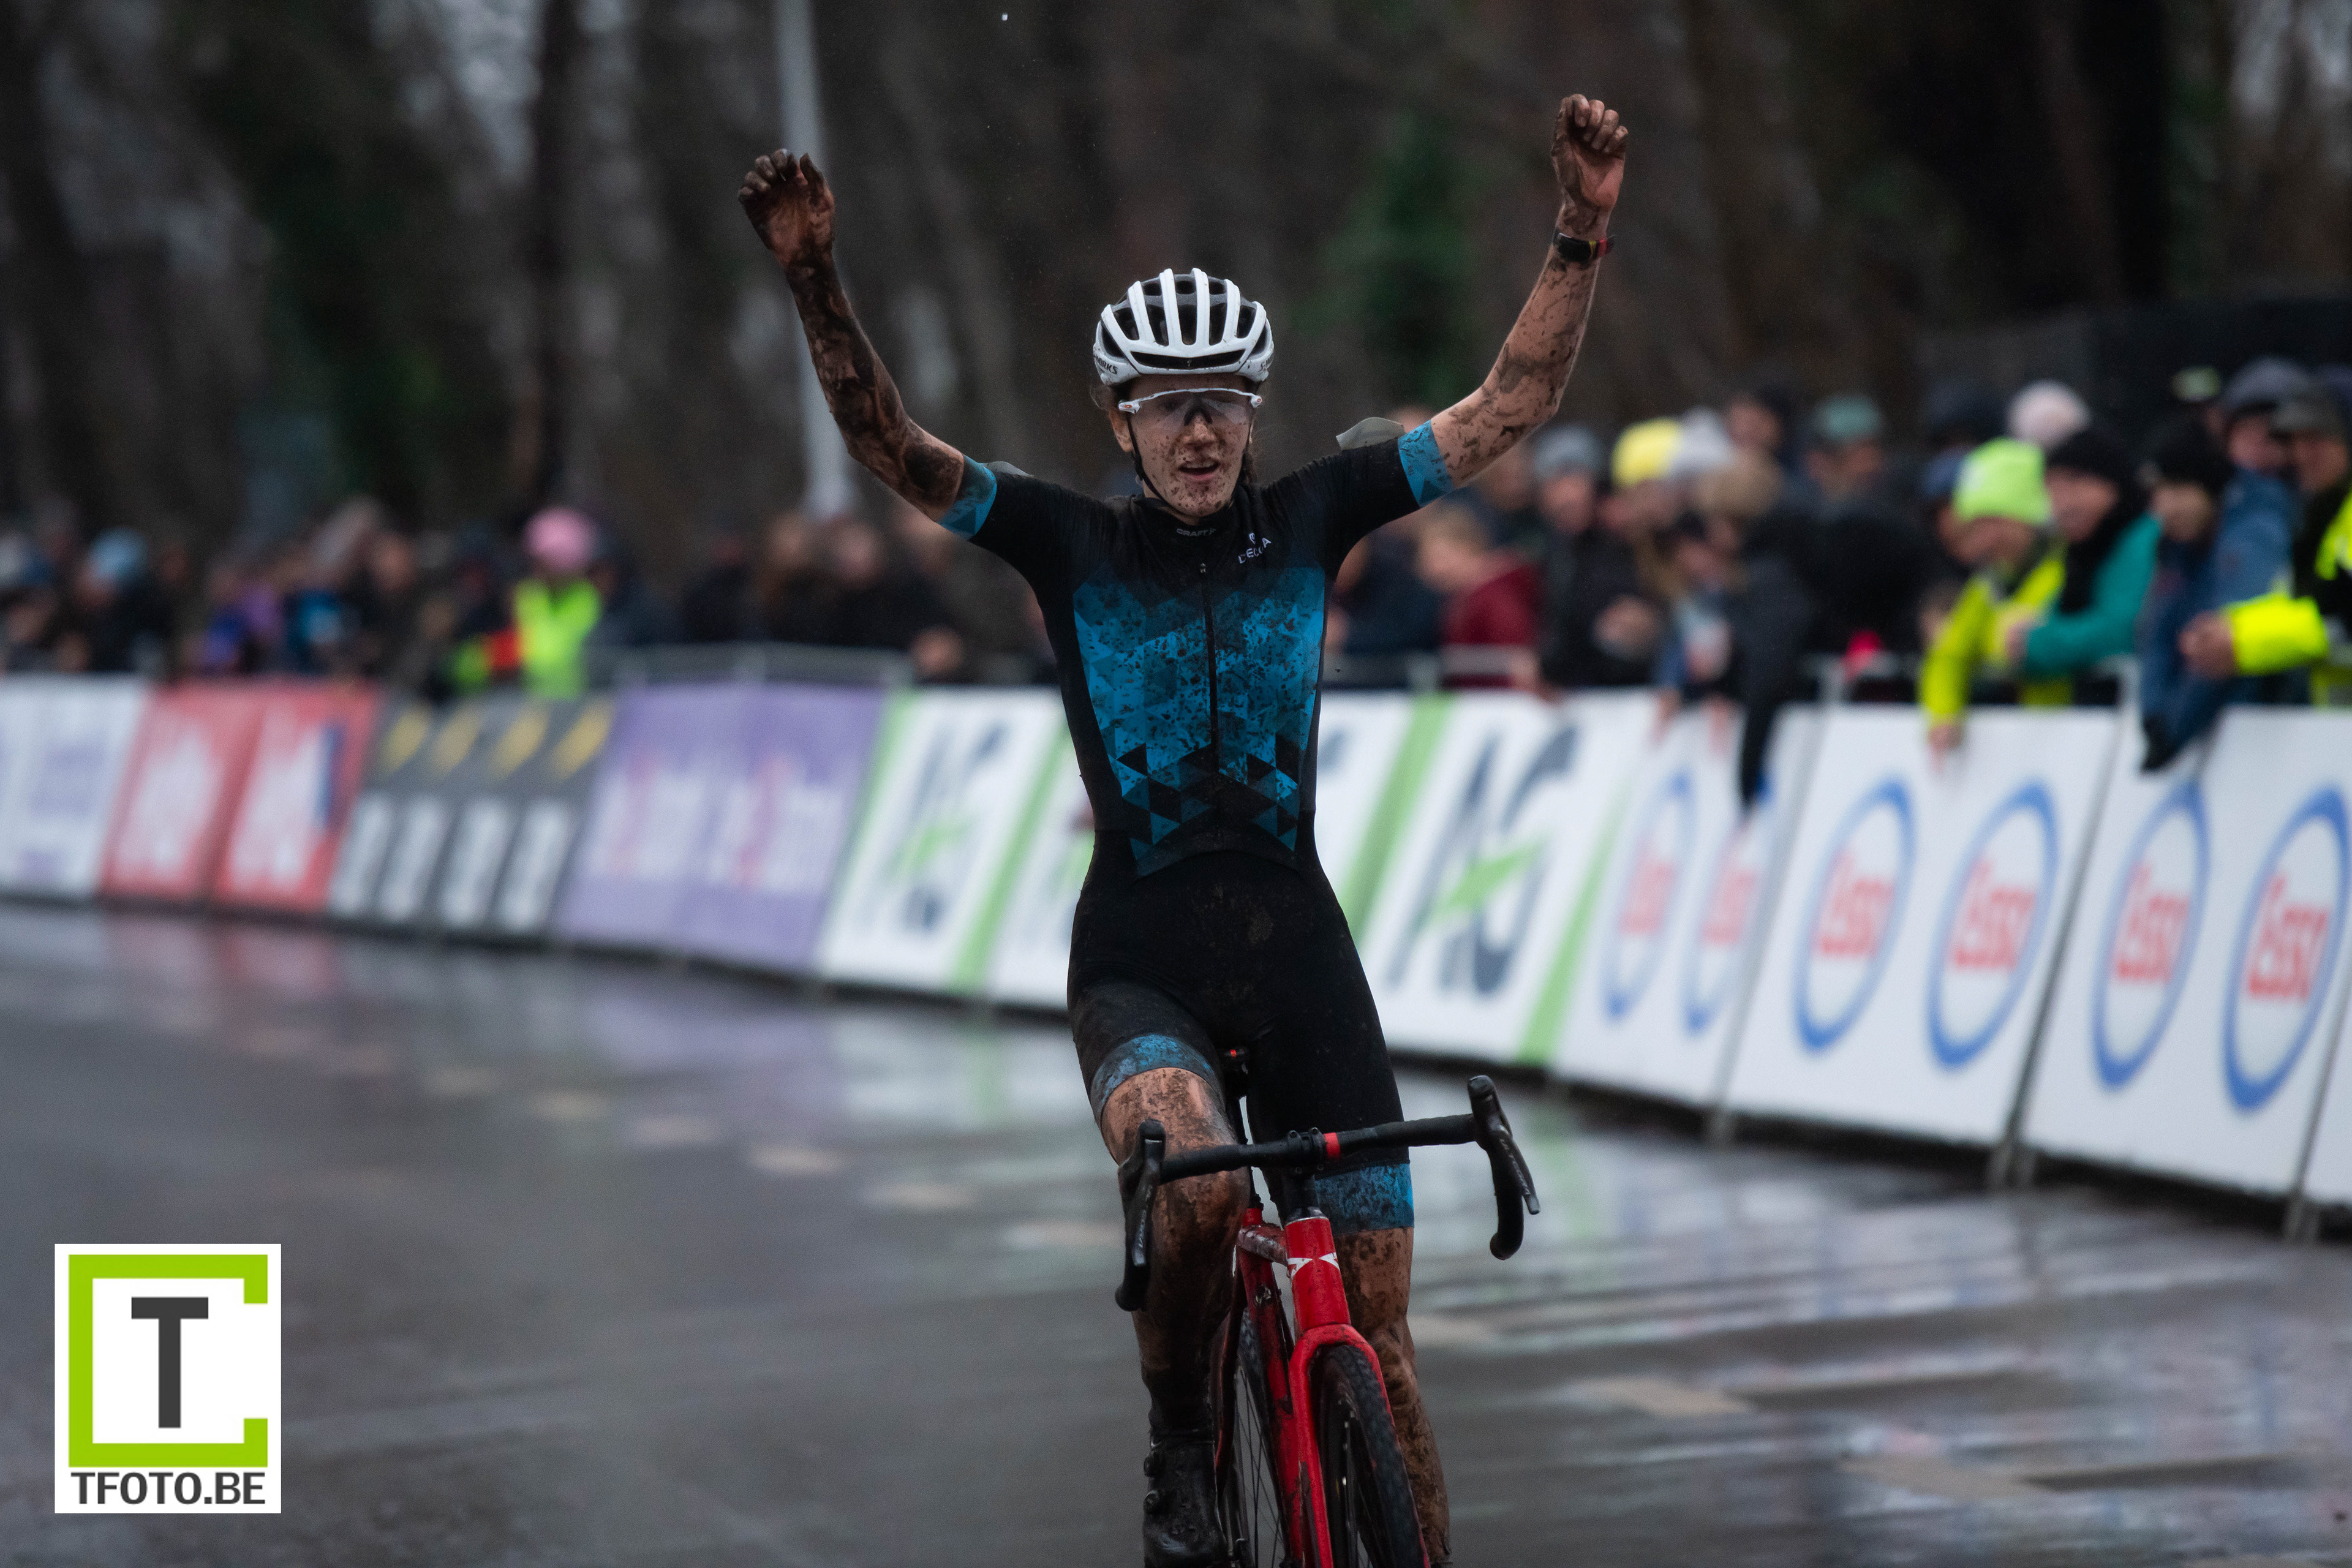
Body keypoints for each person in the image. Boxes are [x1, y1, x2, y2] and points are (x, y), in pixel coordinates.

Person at [740, 89, 1631, 1568]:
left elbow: (1509, 404)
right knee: (1201, 1189)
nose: (1200, 429)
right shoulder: (1067, 541)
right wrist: (816, 279)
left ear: (1256, 410)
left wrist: (1581, 228)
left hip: (1300, 952)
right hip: (1139, 960)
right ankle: (1179, 1445)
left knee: (1385, 1345)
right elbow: (891, 445)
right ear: (1122, 421)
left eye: (1221, 399)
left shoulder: (1319, 513)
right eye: (1167, 403)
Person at [2137, 418, 2296, 770]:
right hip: (2213, 732)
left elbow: (2218, 645)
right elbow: (2157, 632)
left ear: (2210, 487)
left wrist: (2173, 729)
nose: (2167, 507)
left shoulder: (2254, 534)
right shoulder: (2179, 545)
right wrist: (2152, 714)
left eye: (2180, 489)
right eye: (2159, 492)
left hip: (2264, 729)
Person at [1658, 453, 1815, 805]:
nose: (1712, 536)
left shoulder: (1770, 578)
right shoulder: (1752, 575)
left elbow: (1767, 672)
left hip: (1795, 730)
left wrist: (1747, 768)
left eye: (1715, 522)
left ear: (1737, 521)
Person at [2179, 387, 2352, 704]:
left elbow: (2342, 619)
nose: (2301, 454)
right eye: (2294, 442)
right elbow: (2311, 604)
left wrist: (2241, 639)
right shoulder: (2321, 513)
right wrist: (2231, 627)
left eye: (2316, 440)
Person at [1921, 440, 2067, 756]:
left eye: (1994, 523)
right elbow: (1947, 654)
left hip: (2066, 739)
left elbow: (2018, 645)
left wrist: (1999, 644)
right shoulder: (1991, 583)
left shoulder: (2065, 570)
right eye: (1975, 527)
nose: (1983, 541)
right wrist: (1944, 713)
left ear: (2028, 515)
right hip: (2031, 747)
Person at [1997, 426, 2158, 698]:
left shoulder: (2143, 540)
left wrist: (2036, 643)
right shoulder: (2079, 552)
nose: (2063, 503)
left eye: (2074, 482)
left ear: (2112, 482)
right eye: (2052, 489)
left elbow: (2124, 631)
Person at [1533, 424, 1657, 689]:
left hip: (1640, 688)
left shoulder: (1629, 537)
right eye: (1555, 483)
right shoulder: (1553, 549)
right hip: (1584, 692)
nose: (1566, 496)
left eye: (1574, 480)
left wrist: (1653, 624)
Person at [448, 505, 603, 698]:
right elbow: (505, 646)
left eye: (545, 559)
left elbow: (550, 654)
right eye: (535, 559)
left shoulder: (587, 598)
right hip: (528, 704)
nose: (536, 567)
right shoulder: (526, 594)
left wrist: (508, 653)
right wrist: (489, 656)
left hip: (579, 701)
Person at [1414, 502, 1541, 688]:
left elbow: (1518, 662)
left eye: (1439, 557)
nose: (1431, 568)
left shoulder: (1495, 596)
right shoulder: (1466, 597)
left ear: (1467, 548)